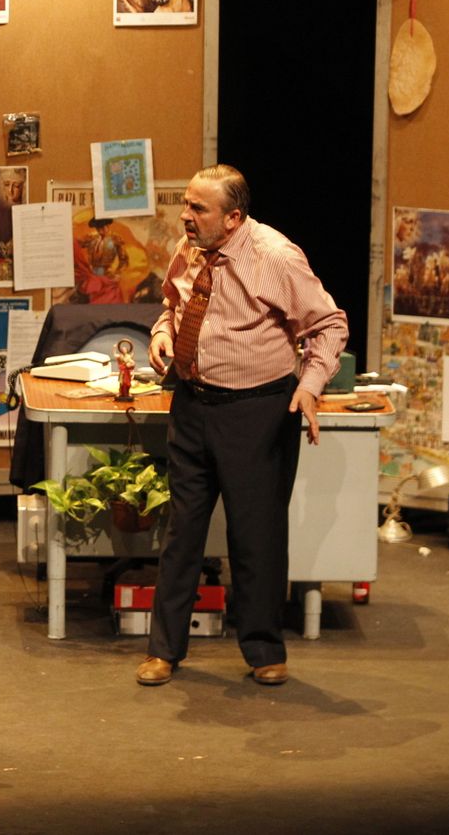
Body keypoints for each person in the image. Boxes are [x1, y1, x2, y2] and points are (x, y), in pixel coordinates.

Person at [138, 165, 347, 688]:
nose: (186, 217)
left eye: (198, 209)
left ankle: (262, 648)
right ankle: (164, 650)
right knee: (182, 532)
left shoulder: (275, 256)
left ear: (233, 217)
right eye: (186, 205)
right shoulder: (191, 249)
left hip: (256, 411)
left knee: (255, 536)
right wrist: (163, 333)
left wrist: (310, 385)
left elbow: (328, 324)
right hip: (192, 404)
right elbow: (173, 305)